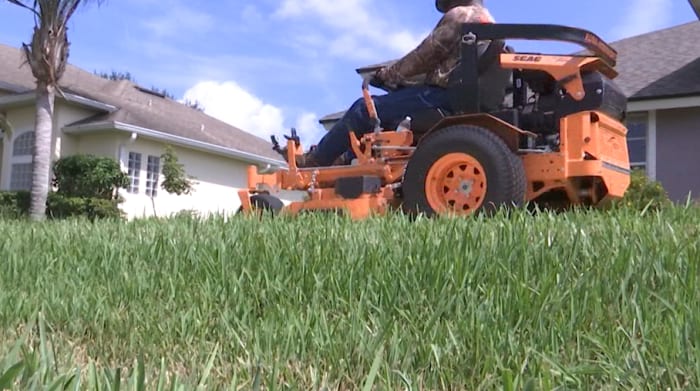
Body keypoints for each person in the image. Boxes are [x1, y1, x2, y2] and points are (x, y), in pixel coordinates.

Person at [281, 0, 495, 167]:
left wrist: (389, 74)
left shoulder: (462, 15)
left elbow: (424, 56)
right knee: (389, 117)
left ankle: (314, 161)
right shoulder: (489, 21)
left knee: (364, 109)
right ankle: (344, 159)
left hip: (442, 95)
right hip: (461, 96)